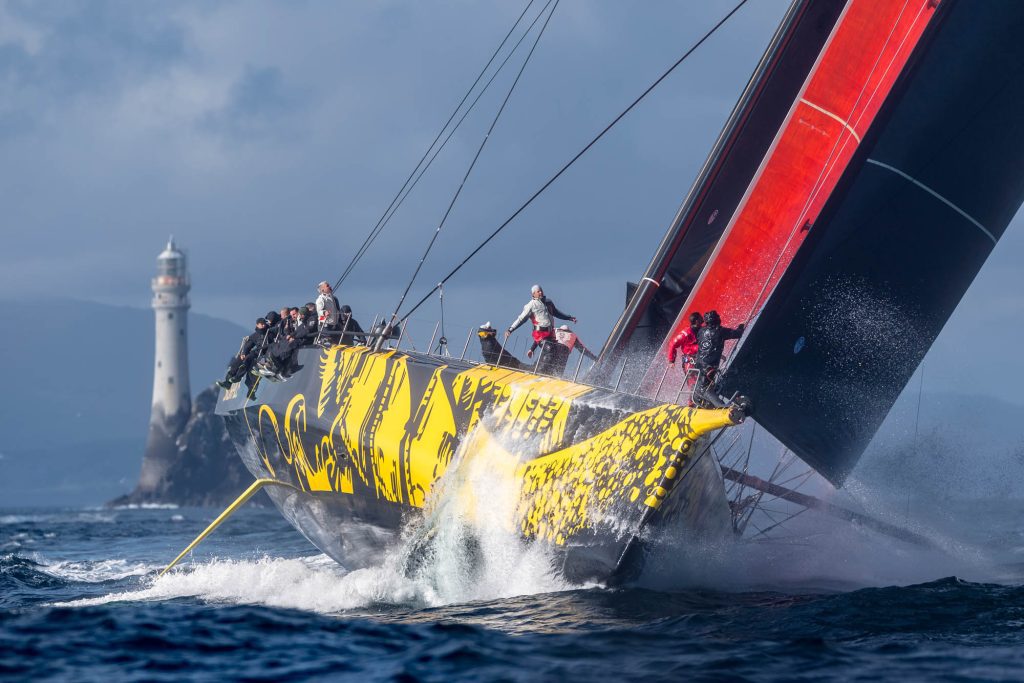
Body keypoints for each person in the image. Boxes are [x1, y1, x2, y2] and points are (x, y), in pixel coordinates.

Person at [505, 285, 576, 369]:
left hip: (550, 333)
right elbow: (521, 319)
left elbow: (556, 313)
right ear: (533, 294)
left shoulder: (548, 302)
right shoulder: (531, 305)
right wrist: (510, 330)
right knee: (549, 348)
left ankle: (554, 371)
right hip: (539, 334)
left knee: (557, 351)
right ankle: (540, 370)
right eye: (538, 291)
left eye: (541, 290)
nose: (541, 292)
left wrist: (569, 318)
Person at [693, 310, 745, 408]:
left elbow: (705, 345)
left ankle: (699, 400)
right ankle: (720, 406)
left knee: (703, 385)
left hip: (698, 365)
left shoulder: (701, 331)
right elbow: (738, 333)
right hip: (709, 367)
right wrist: (741, 326)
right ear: (717, 320)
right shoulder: (720, 331)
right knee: (705, 387)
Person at [217, 317, 269, 396]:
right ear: (257, 325)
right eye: (262, 324)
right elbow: (248, 345)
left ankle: (241, 381)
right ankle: (228, 383)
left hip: (264, 355)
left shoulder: (269, 332)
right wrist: (243, 353)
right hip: (256, 353)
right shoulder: (255, 335)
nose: (264, 325)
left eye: (264, 324)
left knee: (249, 363)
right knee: (238, 360)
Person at [667, 311, 703, 405]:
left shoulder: (703, 330)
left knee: (706, 379)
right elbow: (672, 344)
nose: (703, 319)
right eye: (700, 318)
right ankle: (691, 403)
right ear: (696, 320)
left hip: (702, 359)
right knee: (693, 381)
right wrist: (671, 361)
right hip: (689, 361)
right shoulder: (685, 333)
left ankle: (704, 400)